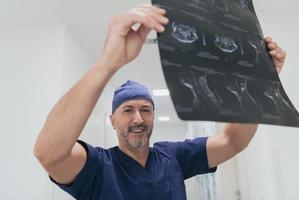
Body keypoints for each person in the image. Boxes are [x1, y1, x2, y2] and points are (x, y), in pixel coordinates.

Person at [33, 4, 286, 200]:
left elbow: (234, 141)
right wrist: (107, 64)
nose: (138, 119)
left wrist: (257, 81)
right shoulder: (98, 167)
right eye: (128, 110)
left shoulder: (173, 157)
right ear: (112, 120)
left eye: (146, 109)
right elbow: (49, 154)